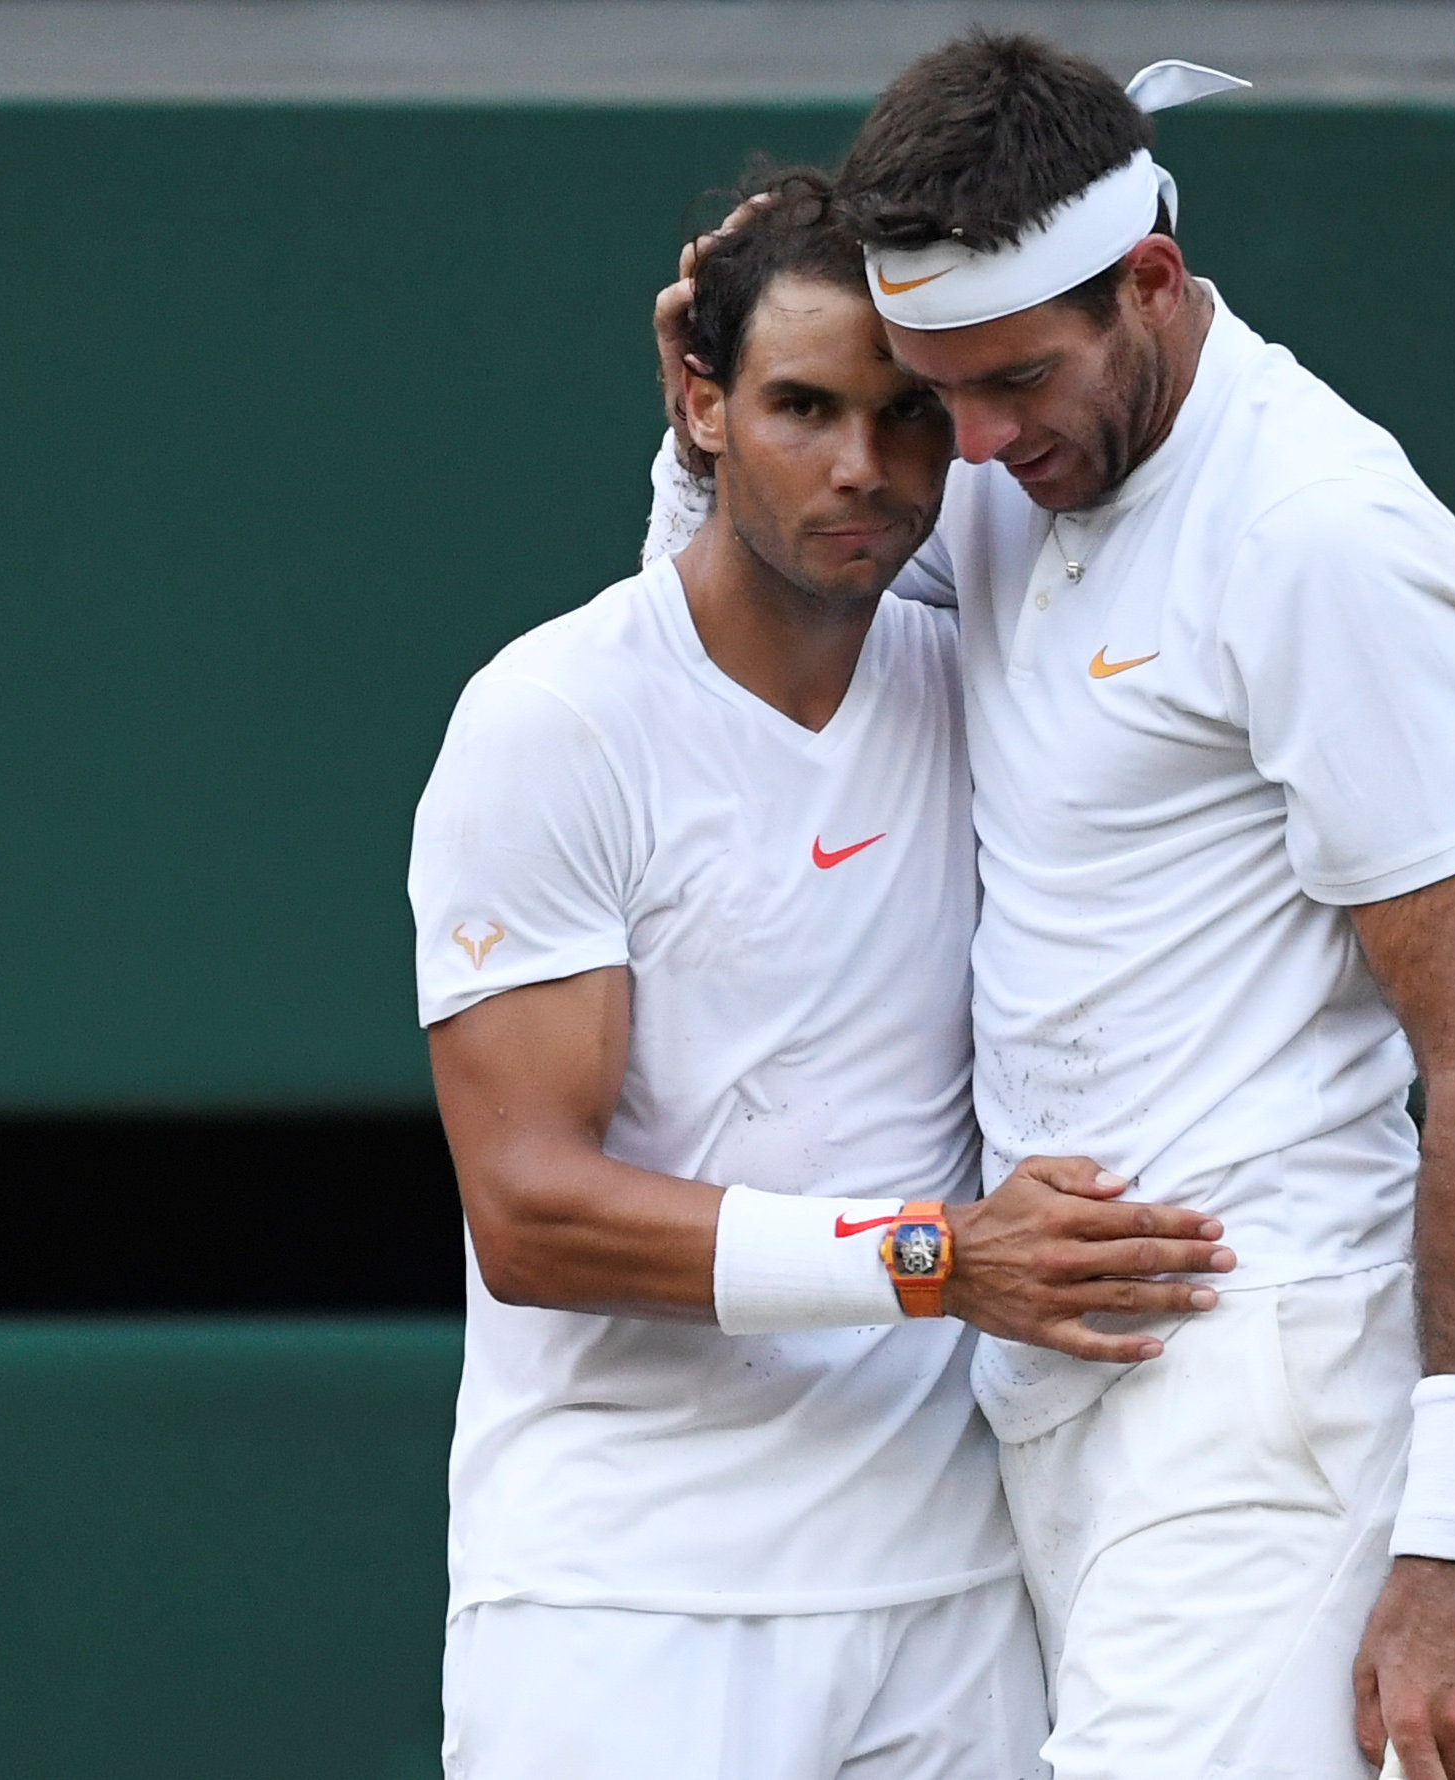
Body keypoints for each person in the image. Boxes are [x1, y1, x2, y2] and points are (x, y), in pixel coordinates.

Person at [647, 40, 1455, 1780]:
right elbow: (738, 668)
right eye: (936, 395)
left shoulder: (1322, 535)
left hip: (1269, 1397)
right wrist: (704, 428)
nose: (972, 448)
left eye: (1008, 385)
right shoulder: (1005, 468)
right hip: (1047, 1406)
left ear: (1149, 281)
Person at [409, 175, 1233, 1780]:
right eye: (799, 408)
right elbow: (529, 1212)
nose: (862, 468)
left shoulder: (996, 685)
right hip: (622, 1611)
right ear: (699, 405)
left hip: (950, 1615)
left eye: (905, 415)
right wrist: (938, 1261)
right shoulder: (549, 725)